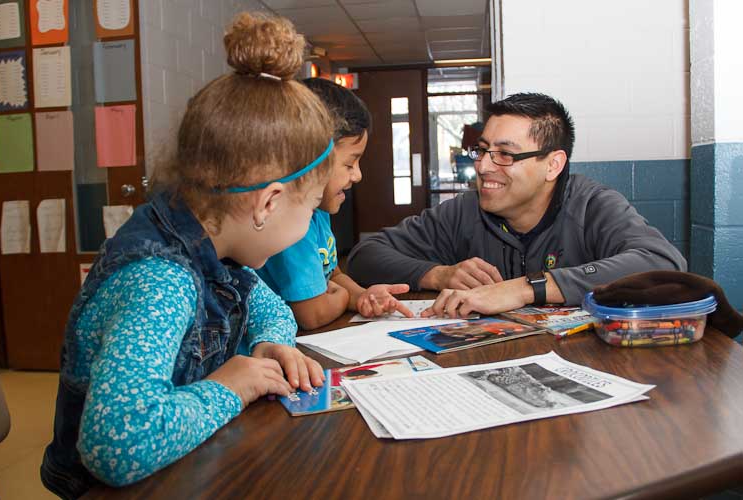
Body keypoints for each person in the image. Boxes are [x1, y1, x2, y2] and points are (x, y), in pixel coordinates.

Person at [41, 13, 333, 498]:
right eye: (311, 207)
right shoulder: (161, 281)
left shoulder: (215, 238)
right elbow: (117, 446)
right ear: (268, 203)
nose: (311, 222)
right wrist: (231, 386)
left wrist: (270, 342)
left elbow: (271, 308)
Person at [346, 93, 686, 318]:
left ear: (553, 165)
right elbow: (364, 256)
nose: (483, 166)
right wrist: (438, 274)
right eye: (482, 150)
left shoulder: (592, 206)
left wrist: (527, 288)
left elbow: (664, 264)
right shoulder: (464, 211)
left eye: (505, 155)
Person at [257, 78, 412, 330]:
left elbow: (333, 274)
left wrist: (361, 295)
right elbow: (312, 313)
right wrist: (341, 296)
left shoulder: (319, 213)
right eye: (350, 164)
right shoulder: (293, 224)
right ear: (313, 159)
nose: (358, 175)